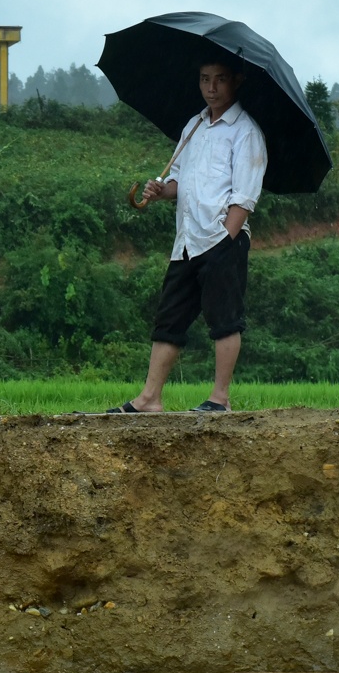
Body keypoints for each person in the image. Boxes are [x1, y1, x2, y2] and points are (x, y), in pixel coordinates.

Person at [111, 55, 267, 413]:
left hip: (221, 240)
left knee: (224, 319)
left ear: (236, 81)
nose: (211, 88)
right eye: (204, 79)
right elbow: (178, 181)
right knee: (169, 319)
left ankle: (219, 398)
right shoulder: (192, 127)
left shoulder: (246, 132)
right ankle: (150, 398)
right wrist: (160, 190)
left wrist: (224, 240)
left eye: (220, 79)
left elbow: (244, 197)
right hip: (185, 243)